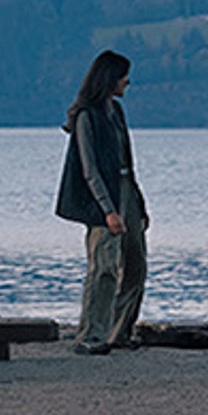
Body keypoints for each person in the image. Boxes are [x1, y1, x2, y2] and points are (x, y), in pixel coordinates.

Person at [53, 48, 147, 353]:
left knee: (136, 266)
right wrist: (108, 210)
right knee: (103, 268)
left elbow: (127, 163)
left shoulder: (116, 111)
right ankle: (91, 335)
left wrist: (138, 205)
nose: (127, 82)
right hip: (103, 198)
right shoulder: (86, 117)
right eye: (123, 76)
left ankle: (118, 332)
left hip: (126, 192)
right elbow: (89, 169)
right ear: (110, 78)